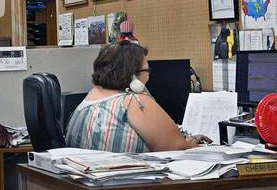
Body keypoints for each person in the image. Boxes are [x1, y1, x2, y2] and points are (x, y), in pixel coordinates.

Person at [65, 41, 208, 152]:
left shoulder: (87, 100)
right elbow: (177, 149)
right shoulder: (134, 102)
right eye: (147, 70)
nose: (149, 74)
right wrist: (192, 143)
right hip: (132, 185)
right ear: (133, 76)